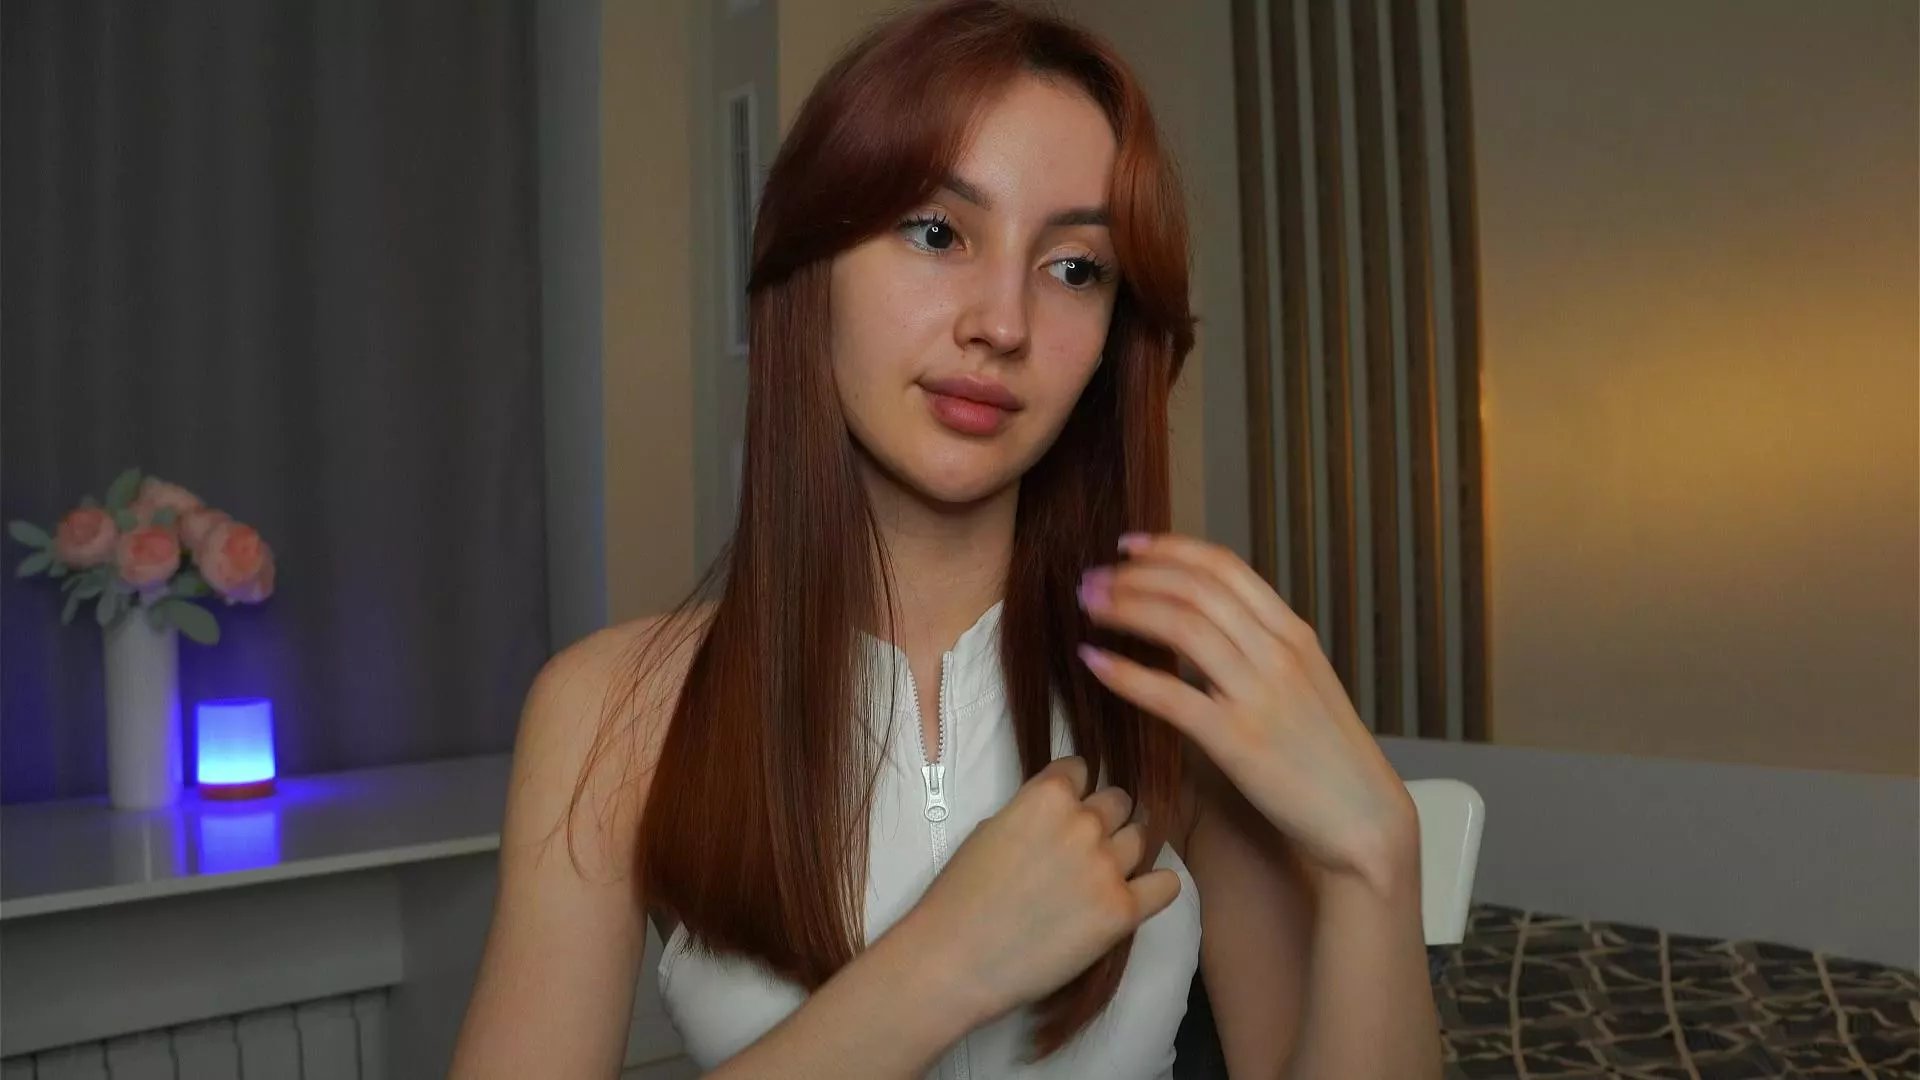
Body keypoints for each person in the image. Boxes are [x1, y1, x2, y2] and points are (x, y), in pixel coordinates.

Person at [452, 2, 1440, 1076]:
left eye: (1076, 268)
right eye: (936, 233)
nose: (1002, 324)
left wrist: (1376, 862)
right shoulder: (612, 715)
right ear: (811, 263)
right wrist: (943, 965)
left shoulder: (1182, 698)